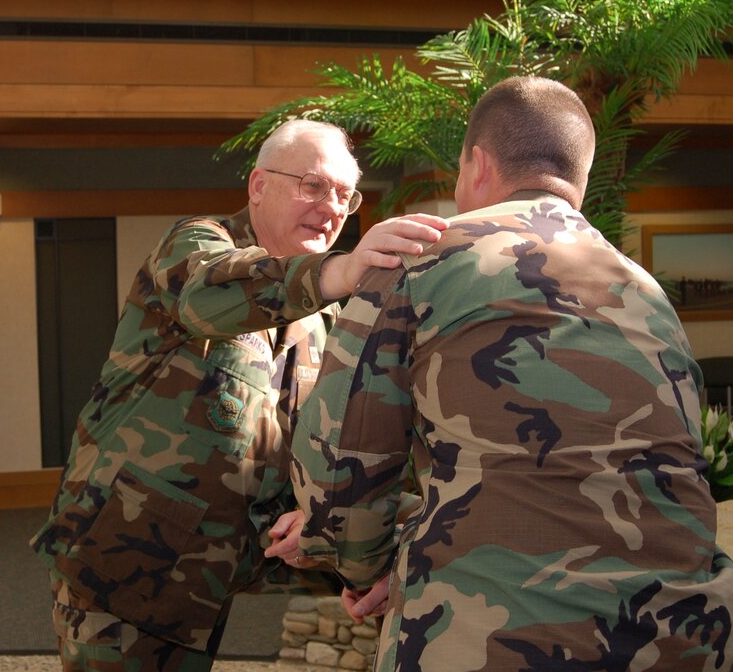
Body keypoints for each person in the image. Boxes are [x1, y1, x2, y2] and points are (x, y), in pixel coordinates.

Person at [287, 77, 733, 670]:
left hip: (497, 644)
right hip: (683, 637)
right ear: (576, 180)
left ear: (478, 164)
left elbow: (336, 478)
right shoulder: (646, 290)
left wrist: (370, 565)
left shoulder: (420, 261)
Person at [30, 118, 448, 671]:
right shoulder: (197, 245)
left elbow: (309, 440)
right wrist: (345, 269)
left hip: (204, 577)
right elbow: (210, 295)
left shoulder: (323, 317)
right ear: (258, 187)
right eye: (313, 185)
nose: (332, 208)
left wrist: (318, 527)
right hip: (119, 561)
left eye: (346, 196)